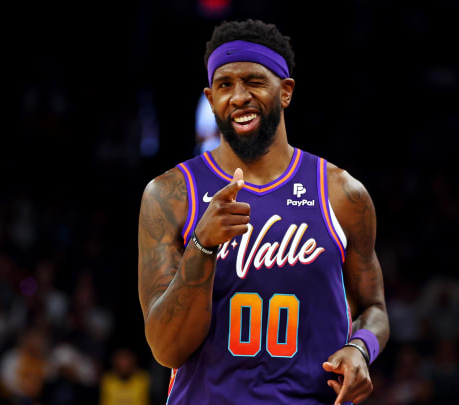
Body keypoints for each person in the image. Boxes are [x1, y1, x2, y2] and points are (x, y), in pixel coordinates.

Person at [138, 19, 389, 405]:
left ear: (285, 91)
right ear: (210, 98)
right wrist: (203, 246)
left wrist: (360, 348)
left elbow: (374, 308)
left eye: (253, 81)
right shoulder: (171, 195)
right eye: (224, 85)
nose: (238, 96)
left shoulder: (342, 194)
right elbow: (165, 349)